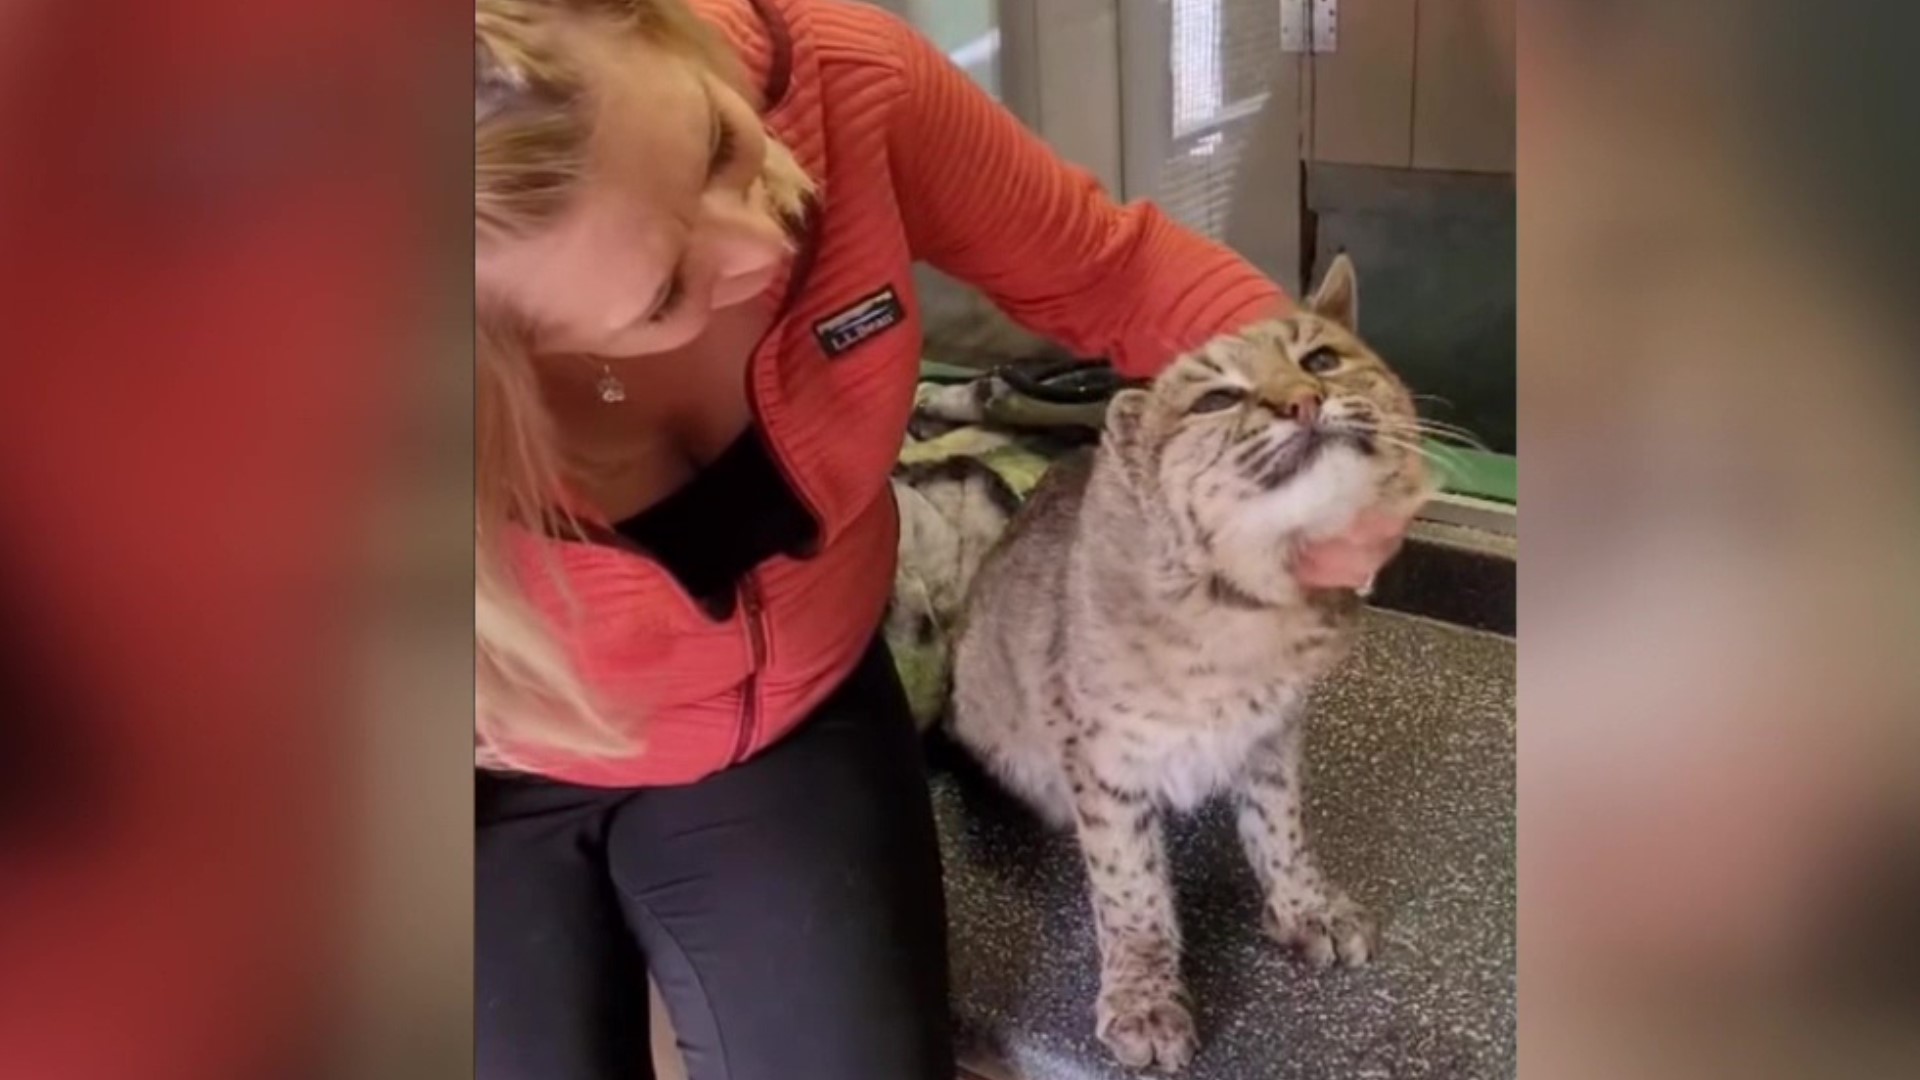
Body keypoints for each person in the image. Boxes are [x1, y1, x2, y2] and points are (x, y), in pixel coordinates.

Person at [473, 1, 1411, 1078]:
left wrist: (1336, 441)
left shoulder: (842, 73)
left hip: (793, 709)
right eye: (664, 291)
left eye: (720, 142)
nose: (765, 236)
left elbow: (1116, 270)